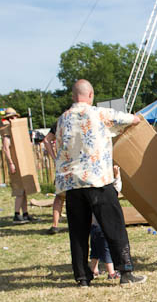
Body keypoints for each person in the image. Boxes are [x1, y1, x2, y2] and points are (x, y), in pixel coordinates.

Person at [45, 79, 146, 287]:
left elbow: (49, 140)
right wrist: (138, 118)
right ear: (90, 95)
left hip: (72, 184)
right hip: (97, 179)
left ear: (73, 96)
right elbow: (131, 120)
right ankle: (125, 272)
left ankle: (82, 277)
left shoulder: (62, 119)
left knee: (78, 232)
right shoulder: (99, 113)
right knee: (114, 227)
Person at [1, 107, 36, 223]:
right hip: (15, 164)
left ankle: (25, 213)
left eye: (15, 116)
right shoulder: (6, 130)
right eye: (11, 117)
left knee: (25, 190)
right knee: (19, 190)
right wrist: (11, 163)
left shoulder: (19, 130)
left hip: (22, 162)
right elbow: (6, 148)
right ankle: (17, 214)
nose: (14, 118)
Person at [42, 124, 64, 235]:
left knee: (59, 196)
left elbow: (46, 140)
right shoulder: (84, 119)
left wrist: (55, 159)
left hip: (63, 163)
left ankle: (55, 225)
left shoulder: (61, 122)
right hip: (80, 163)